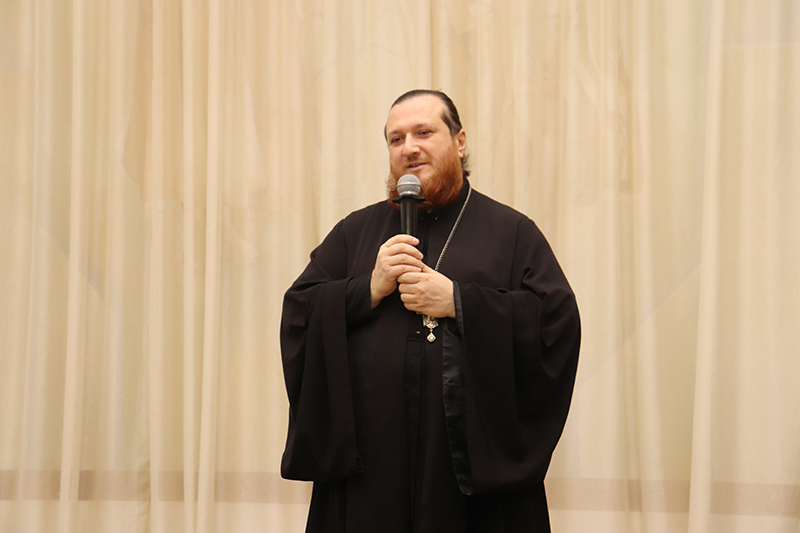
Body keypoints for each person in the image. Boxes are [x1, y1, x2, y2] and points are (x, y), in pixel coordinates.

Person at [280, 89, 581, 532]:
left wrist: (459, 302)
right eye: (396, 138)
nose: (409, 148)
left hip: (469, 477)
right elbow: (300, 314)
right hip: (371, 471)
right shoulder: (354, 232)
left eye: (424, 132)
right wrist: (368, 287)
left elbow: (554, 324)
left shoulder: (512, 231)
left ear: (459, 141)